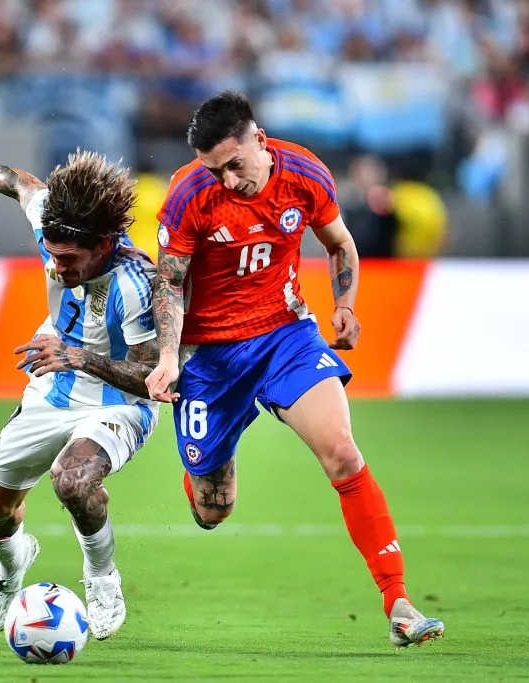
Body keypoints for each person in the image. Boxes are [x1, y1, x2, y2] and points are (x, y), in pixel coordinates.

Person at [145, 91, 445, 648]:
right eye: (215, 170)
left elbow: (340, 244)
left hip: (285, 335)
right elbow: (168, 283)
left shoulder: (305, 173)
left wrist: (346, 306)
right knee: (213, 510)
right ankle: (210, 458)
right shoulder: (189, 192)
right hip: (209, 356)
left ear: (259, 139)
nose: (228, 181)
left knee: (343, 453)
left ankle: (398, 602)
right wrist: (167, 358)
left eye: (235, 165)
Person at [0, 128, 158, 641]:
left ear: (102, 245)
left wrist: (77, 356)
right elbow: (21, 183)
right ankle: (11, 567)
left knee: (71, 481)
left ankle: (102, 578)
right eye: (52, 254)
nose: (56, 266)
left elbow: (154, 379)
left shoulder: (136, 286)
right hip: (53, 388)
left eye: (69, 259)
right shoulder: (56, 223)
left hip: (118, 401)